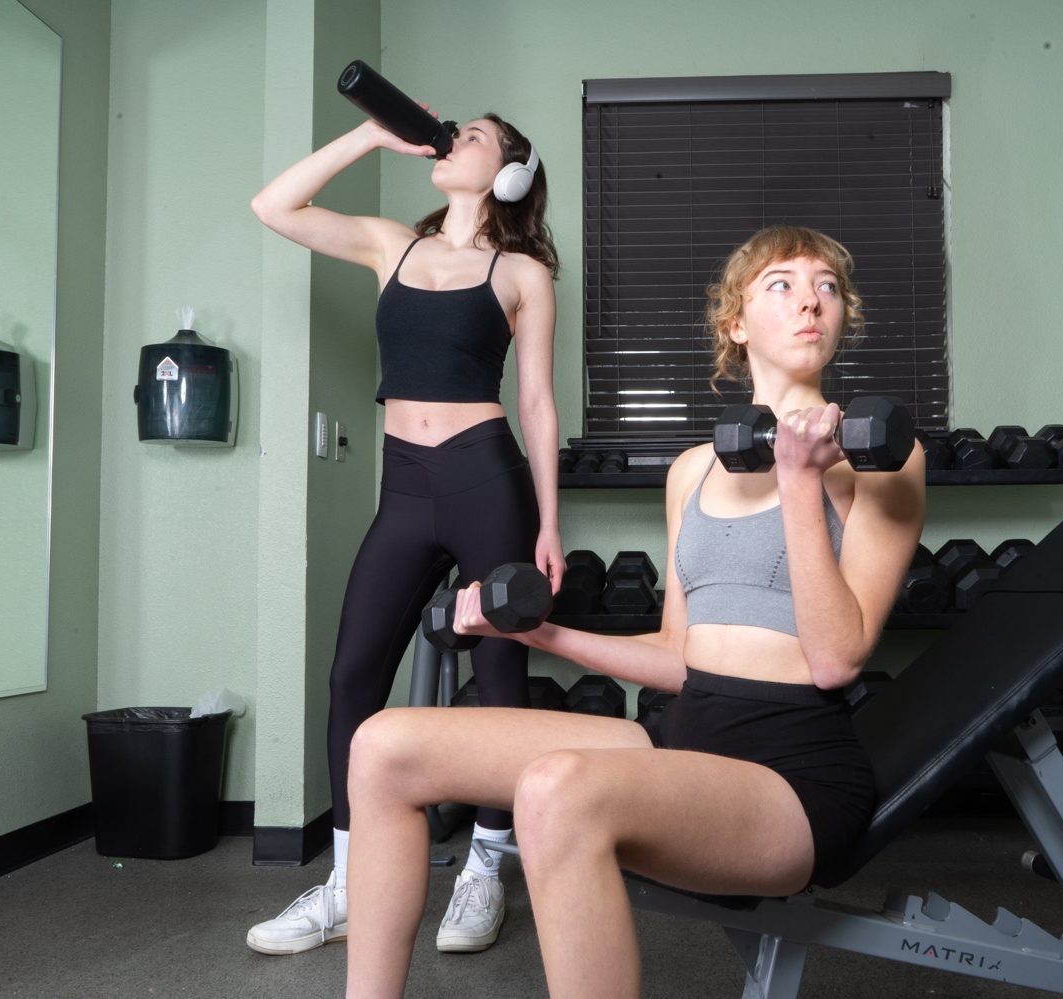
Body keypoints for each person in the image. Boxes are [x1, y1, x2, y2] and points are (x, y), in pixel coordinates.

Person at [342, 225, 926, 998]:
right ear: (736, 323)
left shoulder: (885, 460)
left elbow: (836, 658)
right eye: (780, 285)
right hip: (677, 742)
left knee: (558, 789)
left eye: (827, 286)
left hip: (790, 777)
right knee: (383, 744)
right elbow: (681, 655)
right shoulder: (691, 471)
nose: (810, 300)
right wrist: (540, 631)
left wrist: (798, 483)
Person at [245, 109, 564, 956]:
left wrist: (550, 526)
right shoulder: (392, 244)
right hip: (405, 485)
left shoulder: (522, 272)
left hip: (485, 478)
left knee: (500, 677)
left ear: (510, 174)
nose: (455, 139)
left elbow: (536, 402)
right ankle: (352, 884)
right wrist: (369, 138)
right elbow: (273, 207)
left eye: (477, 136)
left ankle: (485, 870)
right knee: (353, 676)